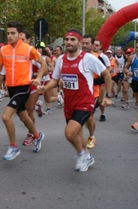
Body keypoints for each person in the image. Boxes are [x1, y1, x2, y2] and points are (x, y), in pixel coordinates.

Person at [41, 29, 112, 171]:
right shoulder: (61, 59)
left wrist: (108, 96)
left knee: (69, 133)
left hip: (85, 102)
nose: (68, 42)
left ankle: (81, 155)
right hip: (69, 104)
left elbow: (106, 74)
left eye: (72, 40)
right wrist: (44, 88)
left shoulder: (88, 58)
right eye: (66, 39)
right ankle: (87, 156)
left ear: (79, 43)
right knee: (77, 134)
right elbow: (55, 80)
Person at [0, 21, 45, 161]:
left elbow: (44, 63)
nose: (9, 36)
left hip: (23, 88)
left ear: (20, 35)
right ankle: (38, 136)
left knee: (5, 117)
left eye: (13, 33)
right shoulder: (3, 50)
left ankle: (13, 146)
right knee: (24, 117)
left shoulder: (28, 49)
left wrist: (38, 77)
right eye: (8, 33)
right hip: (11, 88)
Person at [93, 40, 111, 122]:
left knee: (100, 99)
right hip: (93, 80)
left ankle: (102, 114)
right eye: (94, 45)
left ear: (100, 47)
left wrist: (105, 74)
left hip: (101, 80)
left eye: (97, 45)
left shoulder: (104, 57)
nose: (95, 46)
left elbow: (109, 67)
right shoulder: (90, 55)